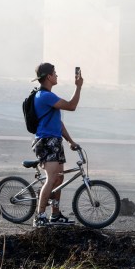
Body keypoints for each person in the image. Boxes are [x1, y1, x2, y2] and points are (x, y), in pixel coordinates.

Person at [31, 62, 83, 227]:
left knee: (59, 179)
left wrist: (70, 141)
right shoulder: (45, 96)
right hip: (46, 141)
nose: (57, 75)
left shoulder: (48, 96)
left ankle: (55, 215)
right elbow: (72, 106)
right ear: (48, 76)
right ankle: (39, 216)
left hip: (55, 140)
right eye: (55, 73)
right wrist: (79, 86)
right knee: (51, 178)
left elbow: (58, 123)